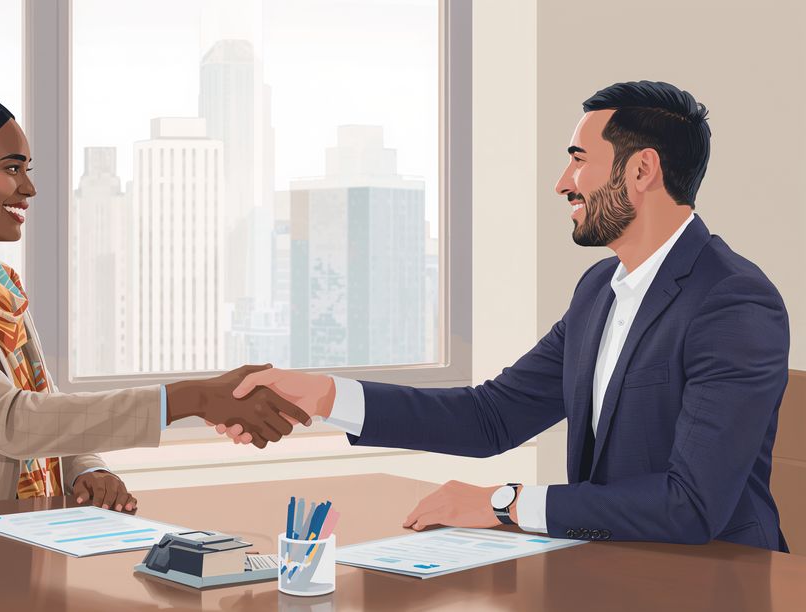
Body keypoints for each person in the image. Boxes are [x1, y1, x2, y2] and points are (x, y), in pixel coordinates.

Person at [222, 81, 791, 552]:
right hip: (612, 566)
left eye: (579, 161)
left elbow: (690, 506)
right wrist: (322, 395)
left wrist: (505, 504)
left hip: (720, 579)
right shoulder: (599, 290)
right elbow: (490, 416)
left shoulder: (733, 303)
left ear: (642, 170)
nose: (563, 183)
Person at [0, 91, 308, 512]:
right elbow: (12, 419)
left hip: (18, 529)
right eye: (12, 168)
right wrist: (194, 398)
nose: (29, 188)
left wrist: (85, 470)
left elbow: (43, 403)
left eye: (27, 170)